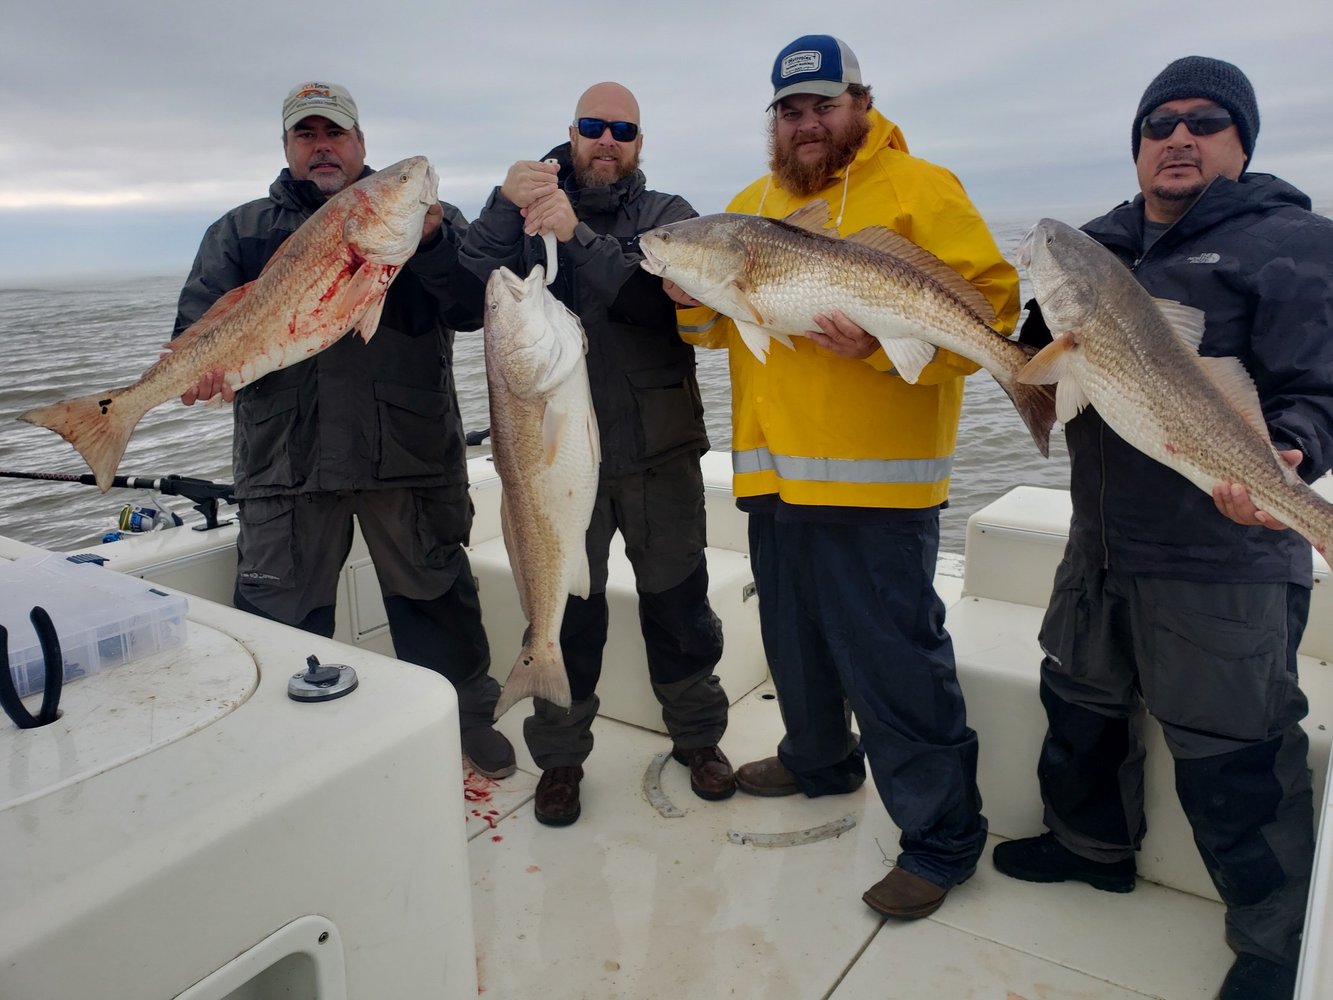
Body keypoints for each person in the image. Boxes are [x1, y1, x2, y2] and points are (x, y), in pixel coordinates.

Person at [992, 56, 1333, 1000]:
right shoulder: (1097, 249)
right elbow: (1039, 367)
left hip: (1222, 553)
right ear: (1136, 147)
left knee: (1234, 751)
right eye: (1157, 123)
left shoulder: (1298, 242)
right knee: (1080, 705)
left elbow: (1316, 390)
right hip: (1099, 541)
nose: (1176, 136)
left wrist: (1292, 457)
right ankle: (1089, 848)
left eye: (1204, 119)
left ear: (1241, 141)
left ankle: (1275, 943)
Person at [672, 36, 1020, 917]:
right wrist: (687, 306)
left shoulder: (920, 188)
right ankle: (819, 759)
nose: (806, 124)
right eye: (789, 111)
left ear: (860, 102)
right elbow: (725, 327)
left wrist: (880, 352)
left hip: (876, 487)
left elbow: (991, 310)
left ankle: (941, 840)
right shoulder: (748, 207)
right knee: (793, 640)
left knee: (894, 662)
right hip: (773, 476)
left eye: (822, 105)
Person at [173, 81, 516, 779]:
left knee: (437, 602)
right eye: (307, 135)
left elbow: (469, 308)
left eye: (336, 134)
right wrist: (199, 371)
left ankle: (467, 721)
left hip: (408, 456)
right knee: (280, 619)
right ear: (287, 148)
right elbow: (194, 334)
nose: (322, 146)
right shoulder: (240, 232)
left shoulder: (424, 220)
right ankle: (282, 754)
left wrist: (434, 242)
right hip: (287, 464)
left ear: (361, 145)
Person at [460, 82, 732, 826]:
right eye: (592, 126)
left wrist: (577, 234)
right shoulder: (523, 212)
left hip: (659, 453)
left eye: (622, 130)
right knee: (564, 615)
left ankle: (698, 739)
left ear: (640, 144)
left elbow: (656, 303)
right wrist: (498, 205)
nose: (606, 140)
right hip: (556, 466)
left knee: (679, 606)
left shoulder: (669, 217)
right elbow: (463, 292)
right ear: (570, 134)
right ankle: (560, 760)